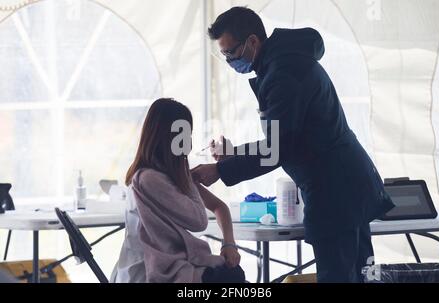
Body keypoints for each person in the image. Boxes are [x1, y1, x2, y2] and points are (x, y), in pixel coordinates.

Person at [191, 7, 395, 283]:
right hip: (348, 185)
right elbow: (285, 139)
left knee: (342, 277)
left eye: (230, 53)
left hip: (335, 191)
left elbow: (278, 149)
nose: (229, 61)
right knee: (361, 275)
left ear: (252, 41)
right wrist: (233, 154)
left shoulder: (282, 75)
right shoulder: (285, 62)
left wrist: (220, 170)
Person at [111, 98, 245, 283]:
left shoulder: (163, 177)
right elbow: (199, 221)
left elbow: (219, 207)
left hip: (169, 266)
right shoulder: (149, 179)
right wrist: (189, 180)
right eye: (186, 134)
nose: (189, 142)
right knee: (233, 278)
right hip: (149, 272)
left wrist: (229, 244)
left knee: (234, 276)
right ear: (169, 137)